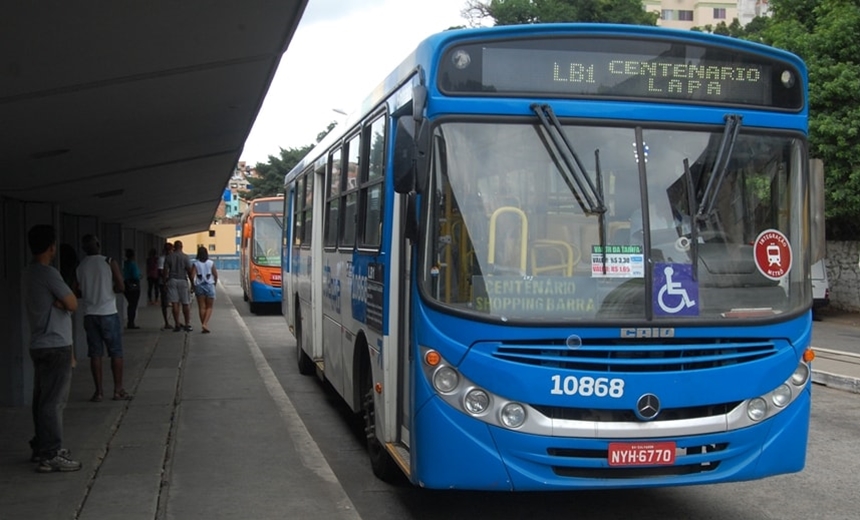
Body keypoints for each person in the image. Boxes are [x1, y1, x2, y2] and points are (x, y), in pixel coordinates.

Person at [24, 225, 82, 473]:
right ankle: (51, 453)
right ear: (51, 247)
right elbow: (72, 302)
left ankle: (41, 447)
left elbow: (64, 303)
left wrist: (60, 303)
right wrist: (62, 302)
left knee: (41, 400)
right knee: (54, 402)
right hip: (55, 344)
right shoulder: (49, 273)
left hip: (38, 343)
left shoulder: (29, 272)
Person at [76, 235, 131, 402]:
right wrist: (110, 288)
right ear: (99, 245)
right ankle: (118, 390)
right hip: (108, 312)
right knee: (116, 352)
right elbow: (121, 287)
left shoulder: (80, 267)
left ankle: (98, 392)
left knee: (95, 354)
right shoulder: (109, 261)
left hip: (90, 315)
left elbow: (77, 291)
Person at [164, 240, 193, 332]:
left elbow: (165, 271)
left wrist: (165, 282)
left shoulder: (169, 257)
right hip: (182, 280)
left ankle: (177, 324)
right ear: (182, 247)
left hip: (172, 280)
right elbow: (189, 270)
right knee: (185, 302)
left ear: (174, 247)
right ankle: (187, 324)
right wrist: (192, 283)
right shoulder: (185, 257)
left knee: (175, 303)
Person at [191, 246, 219, 333]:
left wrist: (193, 286)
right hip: (209, 285)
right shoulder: (211, 263)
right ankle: (205, 324)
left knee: (201, 307)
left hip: (199, 286)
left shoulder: (196, 263)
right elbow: (215, 275)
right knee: (209, 307)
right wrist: (215, 283)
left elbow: (192, 276)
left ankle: (203, 324)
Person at [122, 249, 142, 329]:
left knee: (130, 304)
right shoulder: (132, 264)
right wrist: (140, 276)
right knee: (133, 305)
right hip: (133, 285)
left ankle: (130, 321)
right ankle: (131, 322)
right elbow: (135, 275)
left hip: (126, 284)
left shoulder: (125, 264)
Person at [158, 242, 174, 330]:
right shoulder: (162, 259)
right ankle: (166, 322)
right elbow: (161, 272)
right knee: (164, 303)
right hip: (164, 283)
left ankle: (176, 321)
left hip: (171, 282)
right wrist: (166, 280)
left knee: (174, 302)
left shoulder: (172, 258)